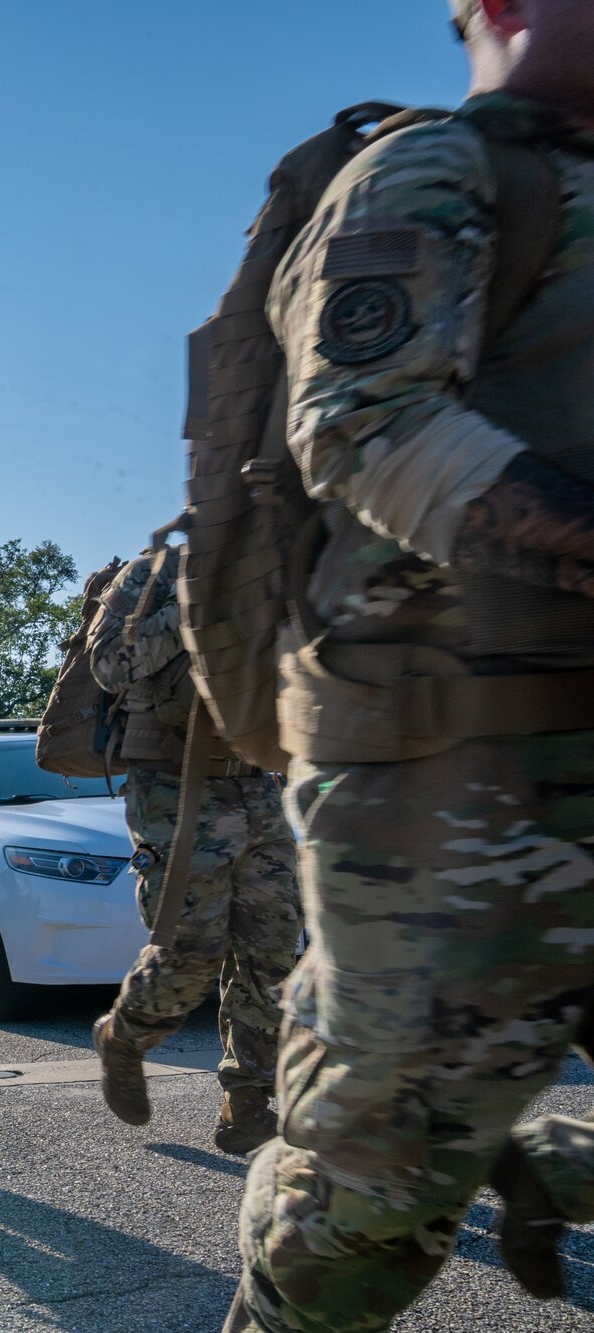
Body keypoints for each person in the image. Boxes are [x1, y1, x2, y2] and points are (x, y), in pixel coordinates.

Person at [224, 4, 594, 1327]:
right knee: (356, 1235)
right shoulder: (438, 172)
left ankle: (535, 1151)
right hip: (456, 795)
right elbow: (368, 426)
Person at [86, 551, 301, 1155]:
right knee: (191, 950)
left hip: (258, 784)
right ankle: (124, 1037)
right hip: (174, 784)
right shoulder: (155, 574)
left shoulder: (275, 569)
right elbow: (108, 664)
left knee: (273, 951)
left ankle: (249, 1100)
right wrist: (190, 607)